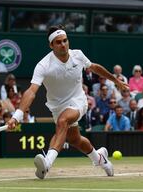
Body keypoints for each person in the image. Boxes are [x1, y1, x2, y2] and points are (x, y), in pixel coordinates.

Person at [7, 25, 129, 179]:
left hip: (78, 101)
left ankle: (47, 163)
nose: (63, 44)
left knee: (63, 121)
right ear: (51, 45)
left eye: (65, 40)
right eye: (58, 42)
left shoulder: (77, 55)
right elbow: (31, 92)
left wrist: (115, 80)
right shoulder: (43, 65)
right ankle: (100, 159)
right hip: (57, 106)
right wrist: (17, 116)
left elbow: (94, 67)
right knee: (75, 139)